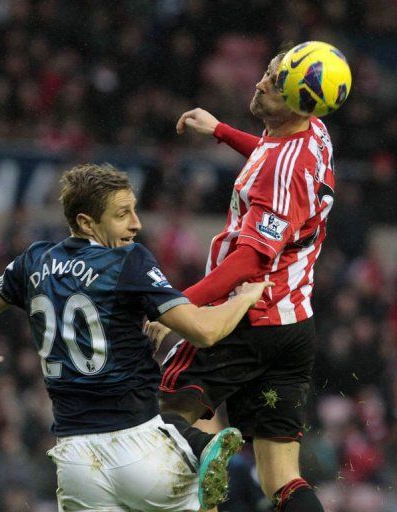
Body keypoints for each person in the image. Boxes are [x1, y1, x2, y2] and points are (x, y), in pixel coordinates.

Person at [0, 164, 272, 512]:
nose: (136, 223)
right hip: (141, 448)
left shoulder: (33, 261)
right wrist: (245, 298)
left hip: (75, 463)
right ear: (87, 222)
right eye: (122, 214)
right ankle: (200, 447)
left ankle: (199, 446)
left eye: (134, 209)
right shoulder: (126, 260)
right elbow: (205, 332)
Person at [151, 50, 336, 512]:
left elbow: (248, 262)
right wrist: (220, 131)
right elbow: (273, 157)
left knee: (160, 418)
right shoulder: (314, 131)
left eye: (273, 81)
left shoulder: (282, 170)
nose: (258, 83)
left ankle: (216, 468)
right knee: (282, 479)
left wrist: (175, 307)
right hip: (294, 326)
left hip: (245, 316)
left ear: (296, 102)